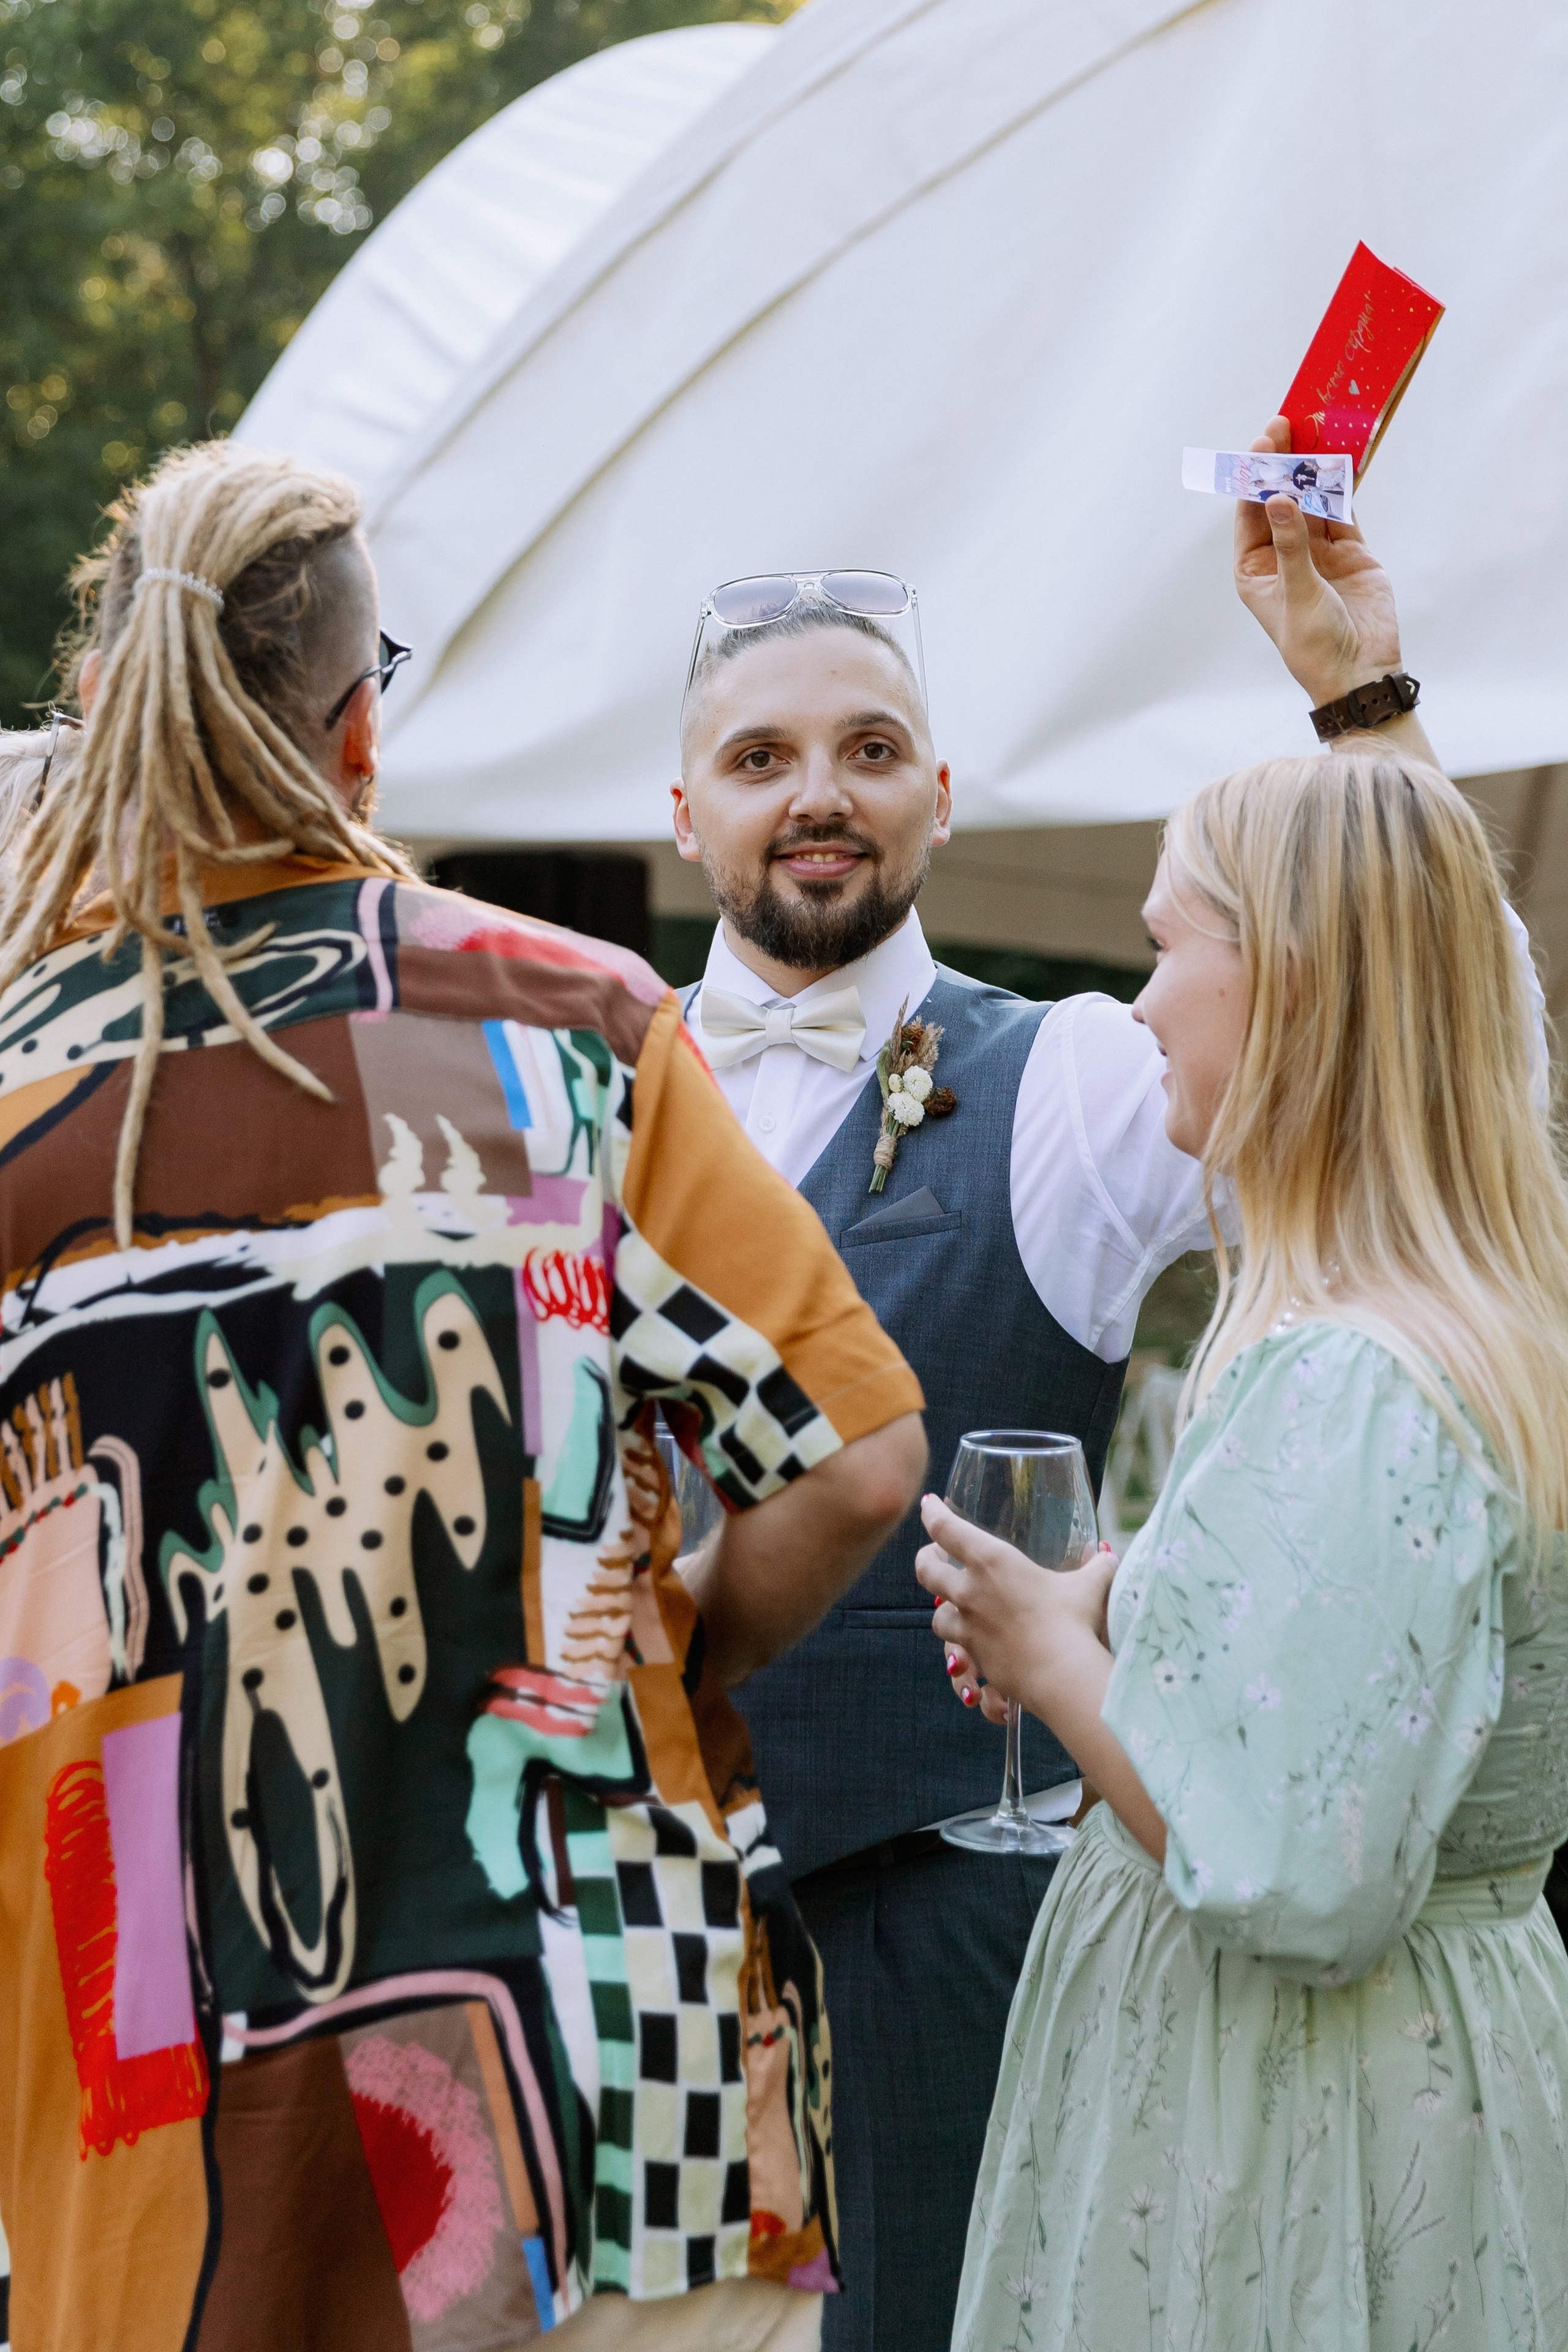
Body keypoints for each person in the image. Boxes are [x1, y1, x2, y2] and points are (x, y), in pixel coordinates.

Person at [0, 440, 927, 2352]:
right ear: (357, 733)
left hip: (148, 2123)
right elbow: (853, 1458)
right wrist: (659, 1657)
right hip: (616, 2084)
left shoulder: (12, 1105)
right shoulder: (561, 1026)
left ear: (100, 720)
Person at [668, 424, 1546, 2352]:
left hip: (956, 1916)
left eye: (870, 750)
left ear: (943, 798)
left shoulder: (1077, 1072)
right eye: (762, 760)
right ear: (685, 814)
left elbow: (1441, 1034)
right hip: (653, 1921)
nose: (819, 797)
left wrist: (1358, 695)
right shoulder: (592, 1087)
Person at [920, 744, 1568, 2348]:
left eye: (1166, 943)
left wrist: (1054, 1659)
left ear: (1289, 984)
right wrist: (1133, 1601)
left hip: (1300, 2122)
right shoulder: (1469, 1323)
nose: (1135, 1004)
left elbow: (1297, 1872)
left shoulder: (1360, 1378)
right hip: (1424, 2079)